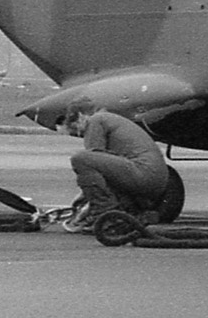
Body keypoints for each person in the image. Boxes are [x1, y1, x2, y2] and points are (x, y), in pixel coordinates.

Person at [60, 99, 169, 233]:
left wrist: (84, 204)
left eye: (77, 128)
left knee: (81, 159)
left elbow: (93, 158)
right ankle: (128, 212)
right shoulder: (112, 119)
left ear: (81, 116)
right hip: (157, 180)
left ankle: (103, 215)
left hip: (142, 173)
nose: (81, 134)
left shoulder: (96, 120)